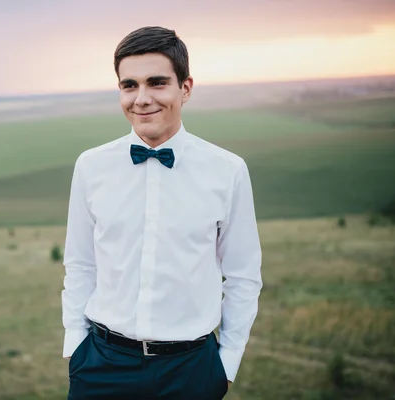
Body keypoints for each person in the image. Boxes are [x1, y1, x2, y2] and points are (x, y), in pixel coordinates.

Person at [61, 26, 263, 400]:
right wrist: (76, 347)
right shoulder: (90, 166)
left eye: (156, 83)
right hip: (101, 366)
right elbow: (80, 264)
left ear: (184, 89)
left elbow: (243, 277)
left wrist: (226, 366)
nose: (141, 99)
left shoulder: (228, 170)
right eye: (129, 85)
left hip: (190, 371)